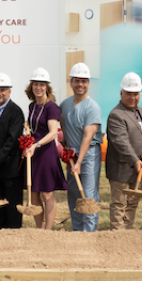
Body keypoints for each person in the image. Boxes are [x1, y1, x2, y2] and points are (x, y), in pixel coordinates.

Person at [59, 63, 103, 232]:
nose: (80, 84)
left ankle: (89, 233)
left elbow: (87, 137)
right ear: (71, 82)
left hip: (89, 154)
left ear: (88, 83)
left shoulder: (93, 107)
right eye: (77, 81)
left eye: (84, 81)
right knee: (74, 193)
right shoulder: (65, 104)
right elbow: (62, 126)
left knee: (88, 195)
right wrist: (65, 148)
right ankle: (77, 231)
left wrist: (79, 162)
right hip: (72, 155)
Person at [24, 68, 68, 230]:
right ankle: (39, 229)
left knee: (47, 194)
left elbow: (52, 133)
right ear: (32, 86)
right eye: (36, 84)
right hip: (34, 153)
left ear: (47, 87)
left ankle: (48, 231)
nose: (38, 88)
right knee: (34, 193)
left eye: (42, 84)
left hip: (46, 153)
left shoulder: (52, 107)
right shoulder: (32, 106)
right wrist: (28, 130)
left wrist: (36, 144)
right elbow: (36, 127)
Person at [106, 72, 142, 231]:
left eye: (136, 94)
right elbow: (120, 141)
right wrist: (135, 160)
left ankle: (127, 234)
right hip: (122, 167)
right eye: (129, 94)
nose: (132, 97)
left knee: (132, 203)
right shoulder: (116, 115)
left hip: (138, 168)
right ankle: (117, 237)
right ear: (121, 93)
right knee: (119, 204)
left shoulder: (140, 110)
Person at [0, 73, 25, 229]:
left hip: (11, 166)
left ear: (9, 91)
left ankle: (13, 234)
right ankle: (0, 231)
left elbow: (12, 139)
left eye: (3, 90)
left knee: (11, 203)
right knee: (0, 201)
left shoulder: (15, 111)